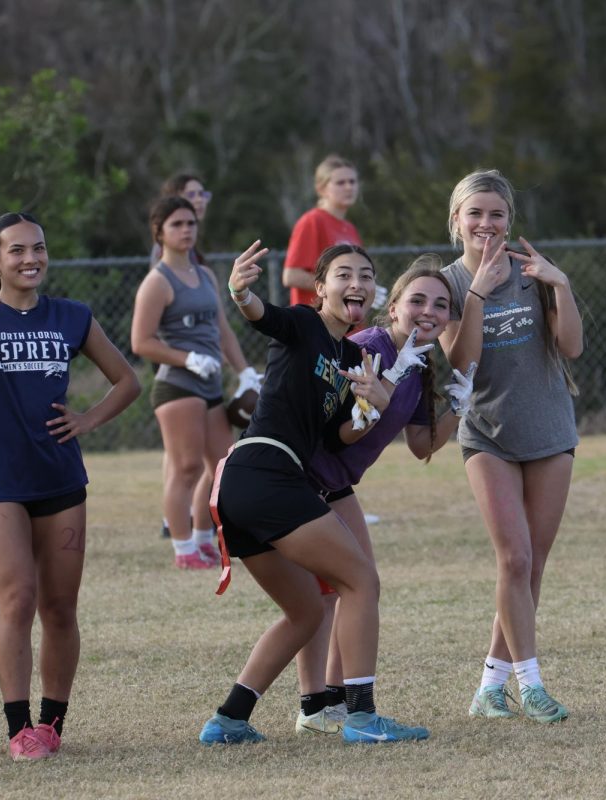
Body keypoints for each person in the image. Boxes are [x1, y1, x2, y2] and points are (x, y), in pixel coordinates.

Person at [199, 241, 428, 745]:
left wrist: (371, 408)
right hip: (264, 471)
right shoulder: (304, 323)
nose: (357, 283)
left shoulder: (354, 356)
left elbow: (338, 437)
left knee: (305, 611)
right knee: (361, 581)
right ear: (320, 288)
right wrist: (240, 292)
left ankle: (229, 720)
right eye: (343, 274)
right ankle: (362, 718)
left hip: (252, 484)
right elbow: (264, 316)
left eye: (366, 275)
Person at [0, 212, 140, 761]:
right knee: (17, 599)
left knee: (60, 606)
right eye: (17, 250)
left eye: (39, 248)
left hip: (60, 479)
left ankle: (52, 724)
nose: (30, 259)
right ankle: (18, 728)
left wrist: (88, 419)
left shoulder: (71, 316)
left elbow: (128, 381)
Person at [292, 257, 473, 734]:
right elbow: (340, 429)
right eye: (417, 301)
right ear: (392, 309)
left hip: (336, 484)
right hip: (305, 478)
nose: (429, 311)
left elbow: (422, 447)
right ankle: (323, 706)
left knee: (351, 588)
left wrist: (459, 405)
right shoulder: (368, 347)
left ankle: (328, 702)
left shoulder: (419, 367)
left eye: (441, 305)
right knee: (337, 592)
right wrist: (387, 383)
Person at [436, 170, 583, 723]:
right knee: (513, 557)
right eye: (475, 214)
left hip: (549, 430)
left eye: (496, 214)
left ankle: (489, 687)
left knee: (531, 564)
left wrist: (561, 284)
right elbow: (462, 362)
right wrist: (477, 291)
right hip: (487, 436)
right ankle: (532, 686)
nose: (486, 224)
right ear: (457, 221)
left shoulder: (535, 274)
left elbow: (571, 345)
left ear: (510, 220)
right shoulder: (448, 284)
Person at [132, 196, 258, 568]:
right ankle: (183, 549)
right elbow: (141, 342)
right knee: (186, 467)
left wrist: (243, 370)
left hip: (209, 384)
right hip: (177, 385)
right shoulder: (157, 281)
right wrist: (187, 357)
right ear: (160, 232)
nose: (186, 230)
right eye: (176, 225)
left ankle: (205, 539)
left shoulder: (204, 275)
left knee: (222, 465)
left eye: (190, 223)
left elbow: (222, 329)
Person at [283, 155, 387, 309]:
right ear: (321, 189)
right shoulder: (312, 221)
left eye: (352, 182)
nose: (348, 187)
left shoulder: (350, 228)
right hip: (316, 322)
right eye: (340, 182)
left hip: (347, 325)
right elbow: (291, 276)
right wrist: (341, 287)